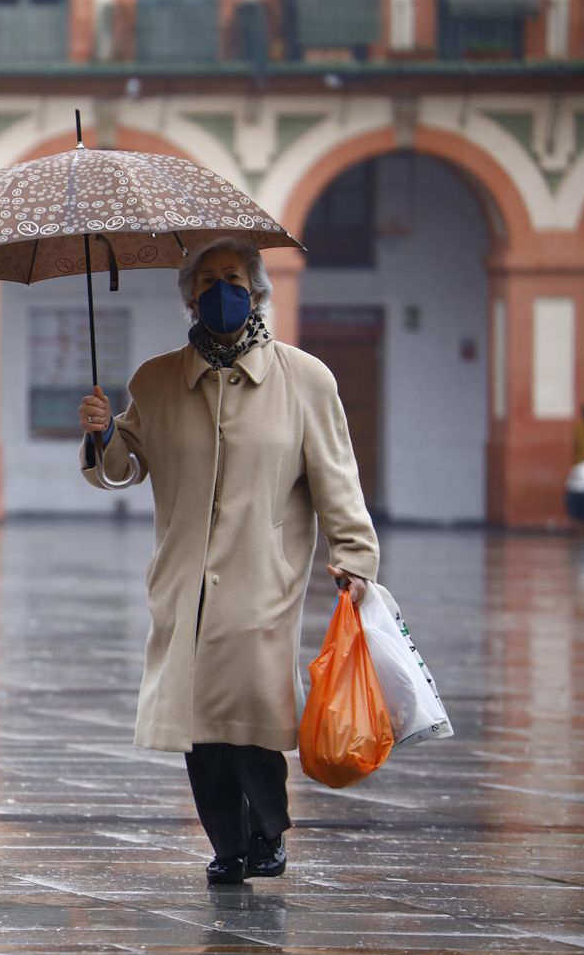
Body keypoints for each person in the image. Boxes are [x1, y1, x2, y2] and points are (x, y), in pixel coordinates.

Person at [78, 237, 378, 886]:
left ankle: (268, 832)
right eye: (209, 279)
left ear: (257, 289)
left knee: (251, 709)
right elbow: (121, 469)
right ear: (190, 296)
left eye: (234, 277)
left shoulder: (306, 379)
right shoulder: (156, 381)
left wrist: (354, 555)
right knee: (199, 723)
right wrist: (103, 432)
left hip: (263, 576)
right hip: (183, 577)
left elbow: (336, 479)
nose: (222, 289)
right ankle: (226, 843)